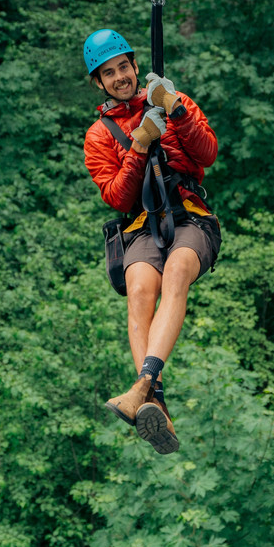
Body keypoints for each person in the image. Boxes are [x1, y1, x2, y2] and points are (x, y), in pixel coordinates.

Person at [82, 29, 220, 454]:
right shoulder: (99, 136)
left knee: (176, 271)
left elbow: (208, 153)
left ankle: (144, 385)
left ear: (136, 65)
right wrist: (139, 143)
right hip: (142, 223)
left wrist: (176, 111)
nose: (120, 76)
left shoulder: (169, 98)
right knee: (140, 287)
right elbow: (117, 197)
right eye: (110, 72)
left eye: (124, 66)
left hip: (190, 216)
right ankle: (155, 404)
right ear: (99, 82)